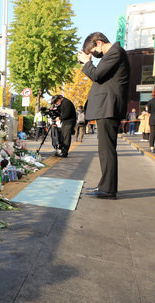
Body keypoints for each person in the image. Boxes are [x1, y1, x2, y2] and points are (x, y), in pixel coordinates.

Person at [78, 32, 130, 200]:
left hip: (108, 108)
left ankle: (108, 189)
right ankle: (105, 185)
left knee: (106, 150)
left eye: (93, 51)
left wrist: (87, 63)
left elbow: (97, 75)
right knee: (105, 149)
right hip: (107, 108)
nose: (93, 55)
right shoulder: (115, 54)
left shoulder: (115, 52)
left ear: (99, 43)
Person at [147, 88, 155, 152]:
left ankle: (152, 147)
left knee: (152, 133)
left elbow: (149, 111)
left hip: (152, 119)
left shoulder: (150, 101)